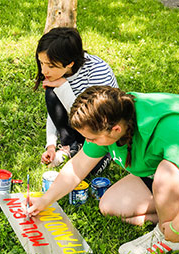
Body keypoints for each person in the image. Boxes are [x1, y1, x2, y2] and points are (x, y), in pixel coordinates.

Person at [28, 86, 179, 254]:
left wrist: (178, 226)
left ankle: (169, 239)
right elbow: (78, 167)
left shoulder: (166, 126)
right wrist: (46, 200)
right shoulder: (115, 117)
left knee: (166, 173)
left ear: (115, 130)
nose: (89, 143)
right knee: (110, 206)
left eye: (92, 139)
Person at [34, 27, 117, 173]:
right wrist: (51, 145)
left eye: (51, 66)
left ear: (70, 63)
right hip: (82, 127)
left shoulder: (97, 71)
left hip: (102, 131)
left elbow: (94, 121)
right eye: (42, 63)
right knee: (52, 92)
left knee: (90, 171)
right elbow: (54, 112)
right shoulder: (57, 73)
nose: (43, 71)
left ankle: (101, 153)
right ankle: (70, 147)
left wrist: (64, 86)